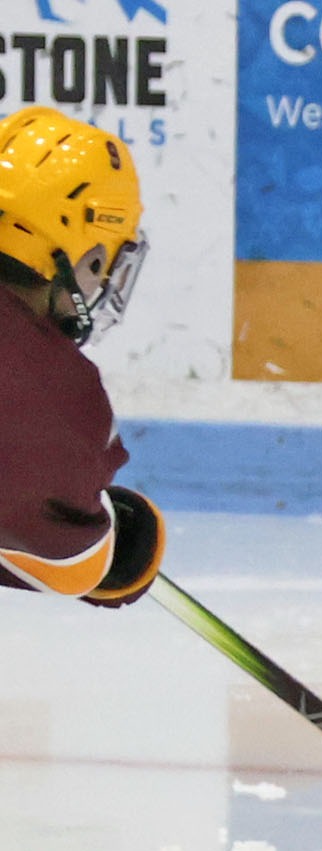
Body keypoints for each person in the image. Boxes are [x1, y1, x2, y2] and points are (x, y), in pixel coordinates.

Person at [0, 106, 165, 608]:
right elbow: (72, 567)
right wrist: (112, 542)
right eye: (104, 263)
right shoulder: (57, 400)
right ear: (87, 258)